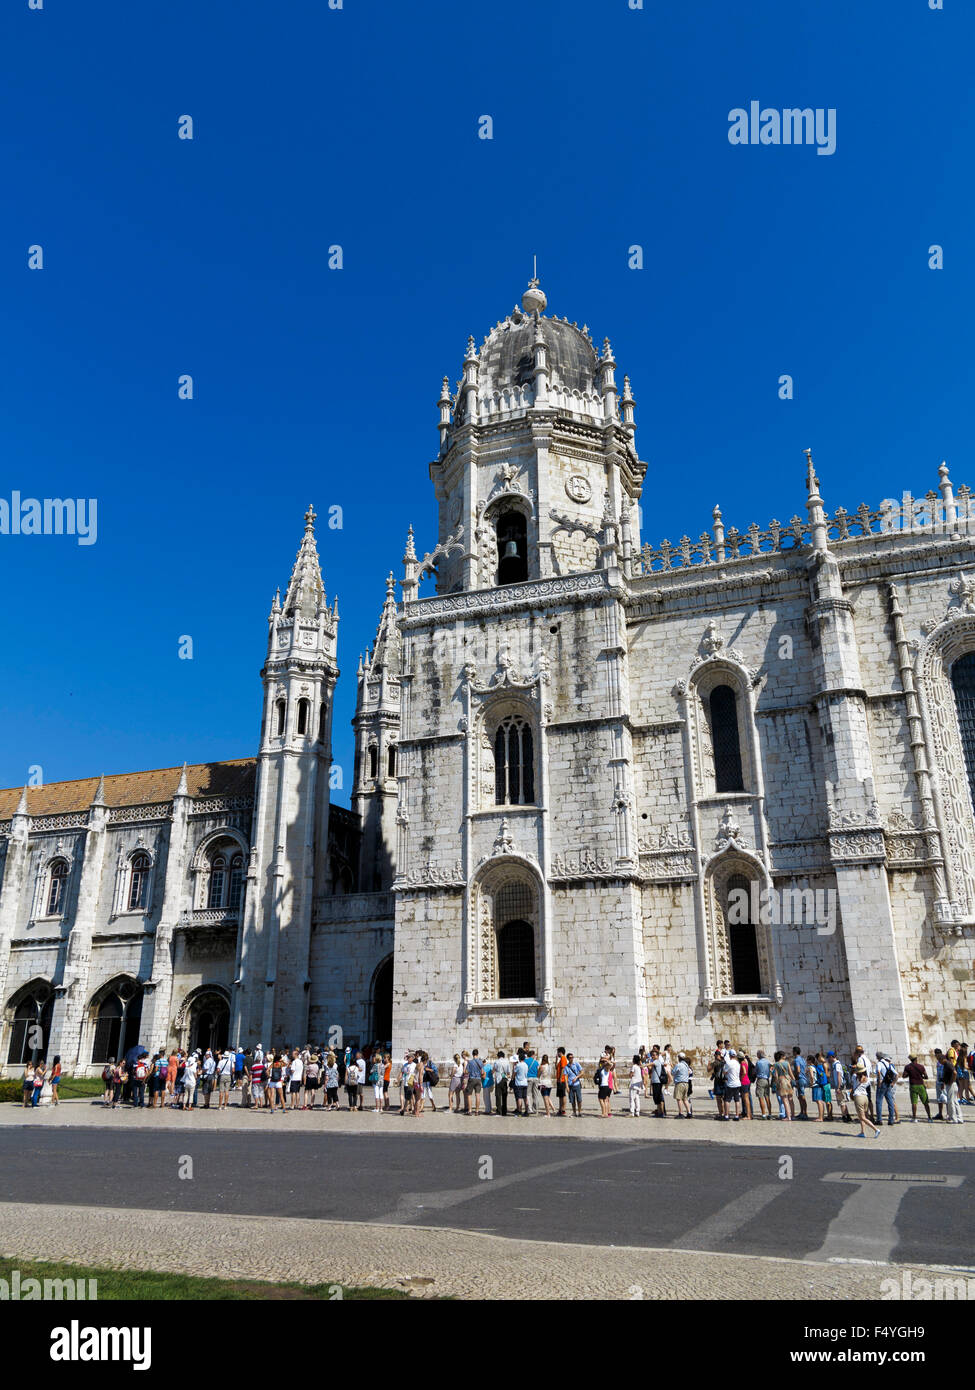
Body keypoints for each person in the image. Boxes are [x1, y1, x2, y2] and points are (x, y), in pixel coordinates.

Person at [851, 1067, 881, 1138]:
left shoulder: (855, 1076)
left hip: (859, 1097)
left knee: (862, 1117)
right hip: (865, 1097)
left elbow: (853, 1083)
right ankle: (862, 1132)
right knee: (862, 1116)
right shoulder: (867, 1079)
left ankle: (876, 1129)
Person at [903, 1056, 931, 1122]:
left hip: (913, 1085)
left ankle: (914, 1118)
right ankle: (929, 1118)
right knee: (925, 1102)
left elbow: (904, 1076)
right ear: (916, 1059)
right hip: (921, 1085)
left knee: (914, 1103)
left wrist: (909, 1074)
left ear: (910, 1059)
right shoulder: (921, 1066)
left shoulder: (907, 1067)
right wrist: (922, 1076)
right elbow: (926, 1077)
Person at [875, 1052, 899, 1126]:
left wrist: (879, 1082)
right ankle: (891, 1120)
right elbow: (896, 1074)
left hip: (882, 1084)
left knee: (879, 1102)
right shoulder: (888, 1064)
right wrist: (893, 1083)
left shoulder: (879, 1064)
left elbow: (878, 1072)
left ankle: (879, 1120)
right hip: (888, 1084)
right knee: (890, 1102)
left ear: (878, 1058)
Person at [772, 1051, 793, 1120]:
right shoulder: (787, 1063)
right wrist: (794, 1080)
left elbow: (776, 1075)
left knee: (784, 1100)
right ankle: (792, 1115)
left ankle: (788, 1117)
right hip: (788, 1081)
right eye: (784, 1055)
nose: (785, 1056)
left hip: (781, 1082)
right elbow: (790, 1073)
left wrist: (776, 1083)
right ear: (781, 1056)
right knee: (790, 1099)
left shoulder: (776, 1064)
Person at [942, 1051, 962, 1123]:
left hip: (951, 1084)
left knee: (951, 1102)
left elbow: (955, 1073)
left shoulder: (947, 1064)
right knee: (955, 1101)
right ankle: (959, 1118)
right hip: (953, 1084)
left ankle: (953, 1118)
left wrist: (951, 1082)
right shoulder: (949, 1064)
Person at [672, 1052, 692, 1117]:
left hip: (680, 1083)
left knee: (679, 1099)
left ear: (679, 1058)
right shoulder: (687, 1065)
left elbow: (673, 1072)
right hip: (686, 1083)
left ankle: (681, 1113)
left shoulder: (679, 1065)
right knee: (685, 1099)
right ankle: (689, 1113)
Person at [465, 1049, 485, 1116]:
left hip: (472, 1078)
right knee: (477, 1095)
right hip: (478, 1079)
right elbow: (482, 1072)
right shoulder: (480, 1062)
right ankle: (477, 1111)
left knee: (469, 1095)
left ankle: (470, 1111)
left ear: (472, 1054)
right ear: (477, 1054)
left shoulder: (470, 1062)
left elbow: (466, 1072)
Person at [753, 1049, 771, 1119]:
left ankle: (763, 1114)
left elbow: (755, 1071)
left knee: (761, 1098)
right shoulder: (768, 1062)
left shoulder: (758, 1063)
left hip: (760, 1080)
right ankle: (769, 1113)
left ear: (758, 1055)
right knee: (767, 1097)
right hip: (767, 1080)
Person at [565, 1053, 583, 1117]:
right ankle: (574, 1112)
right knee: (572, 1100)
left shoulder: (576, 1064)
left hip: (577, 1084)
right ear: (568, 1058)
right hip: (570, 1085)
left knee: (579, 1099)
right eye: (570, 1057)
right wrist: (566, 1086)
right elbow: (565, 1077)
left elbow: (582, 1072)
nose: (571, 1058)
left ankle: (580, 1112)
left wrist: (576, 1077)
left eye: (572, 1057)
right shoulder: (566, 1067)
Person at [512, 1049, 530, 1116]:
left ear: (519, 1058)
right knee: (525, 1097)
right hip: (525, 1083)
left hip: (518, 1083)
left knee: (519, 1097)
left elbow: (514, 1074)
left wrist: (512, 1078)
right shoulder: (526, 1065)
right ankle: (526, 1111)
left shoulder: (518, 1065)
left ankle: (519, 1111)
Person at [595, 1054, 613, 1118]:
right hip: (604, 1086)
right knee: (605, 1100)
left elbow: (611, 1064)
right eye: (601, 1062)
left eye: (603, 1062)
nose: (602, 1062)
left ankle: (603, 1113)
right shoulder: (601, 1069)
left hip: (604, 1086)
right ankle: (605, 1113)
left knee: (601, 1100)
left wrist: (606, 1060)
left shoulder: (606, 1068)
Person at [494, 1050, 510, 1116]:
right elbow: (508, 1072)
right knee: (504, 1095)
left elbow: (494, 1069)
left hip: (498, 1079)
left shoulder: (497, 1062)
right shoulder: (507, 1062)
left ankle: (499, 1111)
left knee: (498, 1095)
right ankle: (504, 1111)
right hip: (504, 1079)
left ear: (498, 1056)